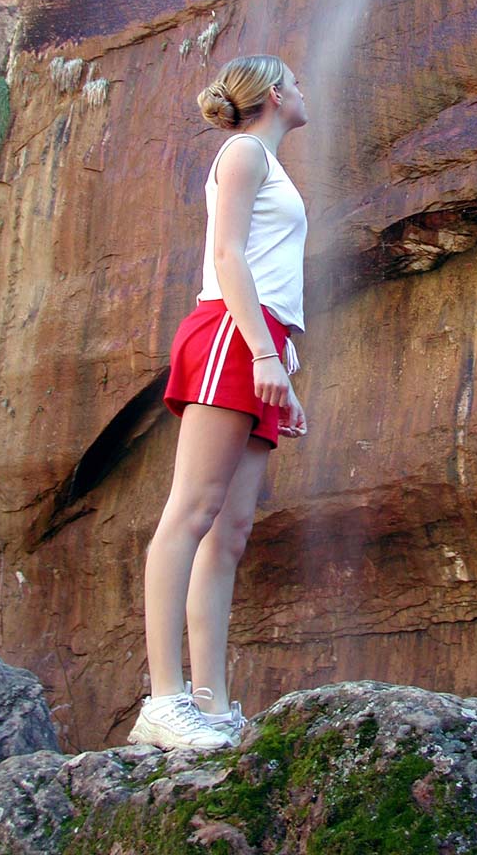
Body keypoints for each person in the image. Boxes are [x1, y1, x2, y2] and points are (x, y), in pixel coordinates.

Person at [128, 54, 308, 750]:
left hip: (263, 341)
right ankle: (164, 700)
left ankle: (211, 704)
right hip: (233, 334)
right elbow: (228, 256)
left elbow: (270, 269)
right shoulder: (241, 151)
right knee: (192, 513)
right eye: (294, 81)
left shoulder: (271, 163)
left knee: (230, 533)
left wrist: (282, 363)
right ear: (270, 93)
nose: (304, 90)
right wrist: (263, 351)